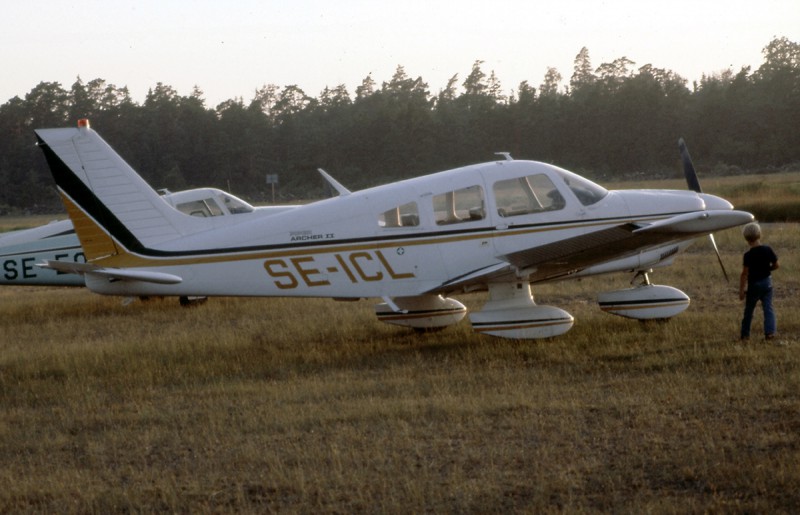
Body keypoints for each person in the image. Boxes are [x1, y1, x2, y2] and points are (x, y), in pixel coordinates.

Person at [739, 222, 779, 341]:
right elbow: (776, 265)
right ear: (759, 234)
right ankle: (770, 333)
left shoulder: (747, 255)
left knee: (749, 311)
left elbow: (744, 273)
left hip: (754, 285)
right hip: (767, 283)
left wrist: (741, 290)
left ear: (746, 238)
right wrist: (768, 269)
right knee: (768, 308)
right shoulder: (768, 249)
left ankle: (745, 335)